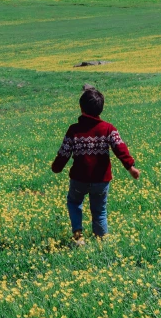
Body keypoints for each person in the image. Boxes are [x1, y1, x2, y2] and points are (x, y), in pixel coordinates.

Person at [51, 86, 139, 244]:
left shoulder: (74, 130)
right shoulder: (108, 129)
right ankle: (102, 240)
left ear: (81, 108)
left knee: (74, 202)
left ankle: (78, 236)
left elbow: (64, 152)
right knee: (99, 211)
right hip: (101, 180)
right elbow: (120, 149)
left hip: (79, 179)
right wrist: (130, 167)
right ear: (101, 109)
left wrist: (57, 167)